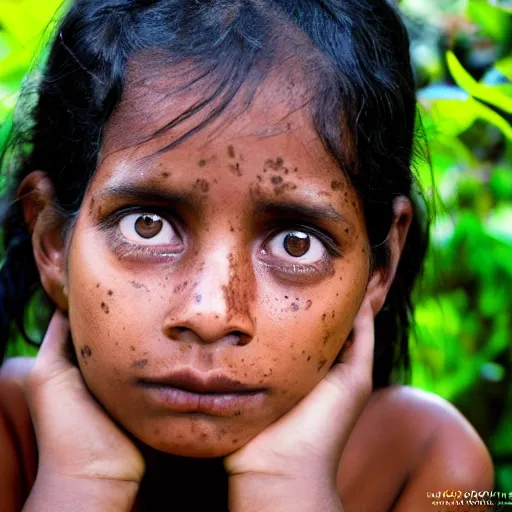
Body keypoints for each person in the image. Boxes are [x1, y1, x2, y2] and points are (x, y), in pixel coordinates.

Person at [0, 1, 494, 510]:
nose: (211, 314)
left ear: (378, 268)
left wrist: (286, 486)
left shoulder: (428, 462)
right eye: (146, 226)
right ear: (54, 240)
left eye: (295, 243)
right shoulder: (11, 438)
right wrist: (81, 482)